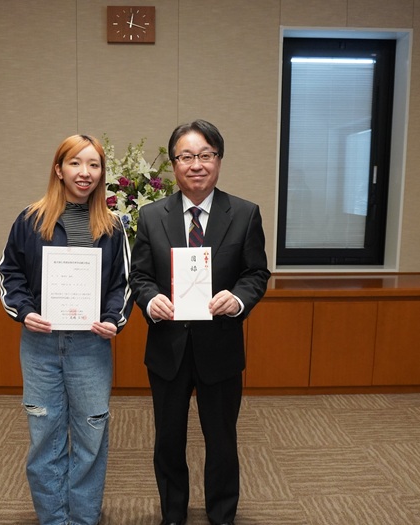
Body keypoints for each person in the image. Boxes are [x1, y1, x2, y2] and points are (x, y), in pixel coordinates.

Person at [129, 120, 271, 525]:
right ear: (174, 164)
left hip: (220, 346)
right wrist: (149, 298)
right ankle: (173, 514)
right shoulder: (152, 216)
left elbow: (256, 273)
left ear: (219, 161)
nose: (196, 164)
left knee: (222, 440)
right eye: (186, 156)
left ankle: (222, 514)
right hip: (168, 347)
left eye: (205, 155)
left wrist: (239, 298)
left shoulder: (244, 214)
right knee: (168, 440)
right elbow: (139, 276)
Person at [0, 134, 133, 525]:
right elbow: (10, 275)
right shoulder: (30, 219)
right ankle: (54, 518)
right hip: (40, 345)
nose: (85, 173)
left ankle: (84, 517)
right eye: (76, 163)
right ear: (59, 169)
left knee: (91, 434)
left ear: (101, 173)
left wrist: (113, 319)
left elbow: (122, 284)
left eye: (94, 165)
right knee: (45, 435)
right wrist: (24, 312)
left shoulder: (113, 226)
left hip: (90, 345)